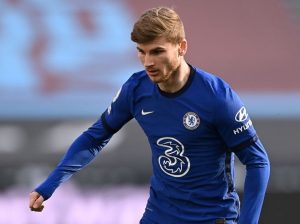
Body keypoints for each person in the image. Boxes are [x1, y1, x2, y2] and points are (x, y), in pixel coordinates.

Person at [29, 7, 270, 224]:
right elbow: (95, 137)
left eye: (157, 52)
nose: (148, 62)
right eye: (141, 52)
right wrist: (50, 184)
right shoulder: (136, 89)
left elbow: (257, 161)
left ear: (181, 47)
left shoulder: (217, 97)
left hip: (209, 217)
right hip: (160, 215)